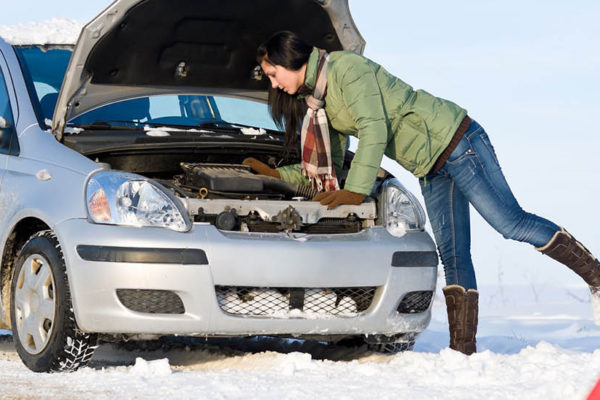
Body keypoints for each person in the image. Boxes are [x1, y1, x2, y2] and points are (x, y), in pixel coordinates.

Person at [242, 31, 600, 355]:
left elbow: (374, 127)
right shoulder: (320, 105)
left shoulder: (346, 68)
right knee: (453, 254)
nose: (274, 84)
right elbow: (331, 164)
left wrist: (357, 191)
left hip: (458, 142)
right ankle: (463, 352)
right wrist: (277, 175)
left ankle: (596, 277)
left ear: (291, 59)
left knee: (510, 223)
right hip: (429, 166)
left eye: (273, 74)